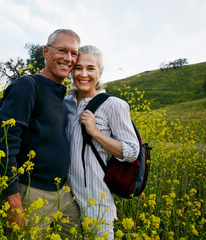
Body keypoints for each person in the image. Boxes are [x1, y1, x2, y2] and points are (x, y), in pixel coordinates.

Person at [0, 29, 82, 238]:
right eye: (62, 50)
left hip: (64, 193)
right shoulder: (28, 86)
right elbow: (5, 143)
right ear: (46, 51)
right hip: (31, 193)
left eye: (73, 53)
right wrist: (14, 201)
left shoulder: (64, 96)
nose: (68, 59)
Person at [65, 45, 139, 239]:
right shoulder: (66, 103)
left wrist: (95, 132)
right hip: (66, 197)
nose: (83, 74)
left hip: (97, 199)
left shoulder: (113, 105)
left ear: (100, 72)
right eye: (78, 68)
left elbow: (132, 151)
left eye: (90, 68)